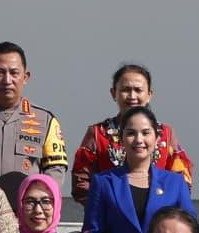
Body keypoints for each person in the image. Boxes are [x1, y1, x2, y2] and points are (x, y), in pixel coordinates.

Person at [76, 105, 196, 233]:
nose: (139, 140)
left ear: (157, 139)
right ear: (121, 139)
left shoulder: (175, 183)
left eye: (146, 133)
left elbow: (191, 231)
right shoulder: (103, 182)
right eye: (131, 133)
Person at [66, 64, 188, 208]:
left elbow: (182, 181)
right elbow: (81, 182)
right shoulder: (98, 133)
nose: (132, 96)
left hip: (158, 219)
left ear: (149, 94)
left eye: (138, 90)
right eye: (125, 90)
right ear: (113, 93)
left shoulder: (166, 134)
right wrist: (106, 208)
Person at [0, 42, 66, 191]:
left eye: (14, 73)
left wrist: (39, 200)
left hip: (26, 211)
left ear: (26, 77)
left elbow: (56, 169)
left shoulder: (46, 120)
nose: (7, 80)